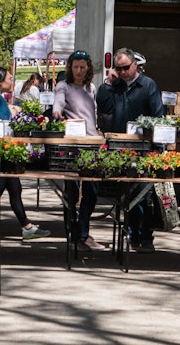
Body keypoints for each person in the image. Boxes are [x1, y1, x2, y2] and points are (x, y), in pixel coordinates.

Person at [96, 48, 165, 253]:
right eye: (119, 68)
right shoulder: (114, 86)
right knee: (125, 194)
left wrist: (158, 147)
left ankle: (144, 236)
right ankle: (130, 233)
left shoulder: (148, 85)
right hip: (120, 147)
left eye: (126, 67)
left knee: (143, 194)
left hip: (143, 147)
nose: (123, 71)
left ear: (135, 65)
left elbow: (158, 115)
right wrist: (108, 82)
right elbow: (103, 105)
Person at [0, 65, 50, 241]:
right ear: (0, 81)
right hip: (1, 149)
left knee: (14, 188)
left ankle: (26, 226)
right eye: (10, 78)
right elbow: (8, 122)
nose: (12, 81)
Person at [53, 51, 103, 252]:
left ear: (88, 68)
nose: (80, 71)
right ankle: (72, 232)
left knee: (91, 190)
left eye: (83, 67)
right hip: (72, 144)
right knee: (71, 191)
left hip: (92, 142)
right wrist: (57, 111)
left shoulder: (91, 88)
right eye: (76, 67)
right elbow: (58, 101)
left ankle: (83, 229)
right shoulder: (63, 86)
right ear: (70, 68)